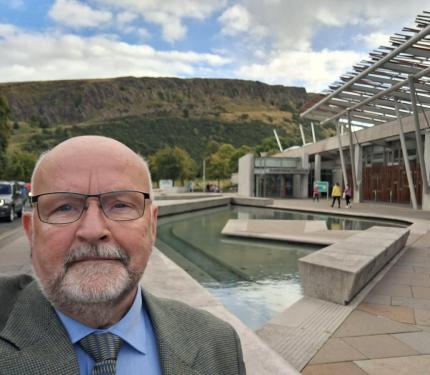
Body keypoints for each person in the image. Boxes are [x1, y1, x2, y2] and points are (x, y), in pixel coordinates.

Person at [0, 136, 246, 374]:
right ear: (31, 231)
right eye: (64, 207)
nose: (93, 231)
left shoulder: (218, 345)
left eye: (119, 205)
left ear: (151, 225)